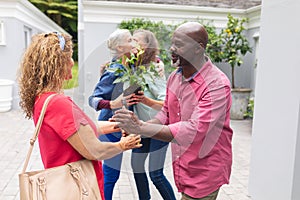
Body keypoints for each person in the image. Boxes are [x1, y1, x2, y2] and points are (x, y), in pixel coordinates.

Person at [113, 22, 233, 200]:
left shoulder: (216, 85)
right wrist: (141, 125)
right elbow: (166, 114)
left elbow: (194, 130)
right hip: (184, 166)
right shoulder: (175, 77)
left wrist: (140, 128)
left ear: (198, 48)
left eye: (179, 44)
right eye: (172, 43)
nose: (172, 49)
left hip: (205, 170)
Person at [18, 32, 142, 200]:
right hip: (77, 186)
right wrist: (123, 145)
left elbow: (80, 131)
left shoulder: (43, 99)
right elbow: (94, 150)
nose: (72, 62)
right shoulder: (58, 103)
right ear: (58, 63)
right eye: (70, 57)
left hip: (65, 184)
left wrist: (116, 126)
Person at [88, 29, 137, 200]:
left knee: (112, 174)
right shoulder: (114, 71)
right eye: (130, 40)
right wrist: (112, 104)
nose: (134, 43)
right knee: (110, 175)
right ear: (120, 47)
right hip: (110, 128)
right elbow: (93, 99)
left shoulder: (128, 66)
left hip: (120, 126)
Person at [130, 29, 176, 200]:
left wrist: (145, 101)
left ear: (146, 46)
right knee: (136, 166)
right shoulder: (132, 67)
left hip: (158, 127)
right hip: (143, 128)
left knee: (155, 174)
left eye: (136, 40)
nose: (132, 42)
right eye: (131, 39)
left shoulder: (154, 70)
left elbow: (167, 104)